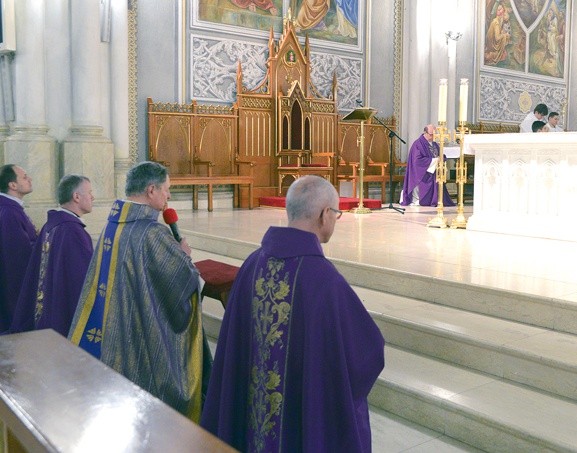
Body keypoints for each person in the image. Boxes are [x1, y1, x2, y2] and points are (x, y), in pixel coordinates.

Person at [201, 175, 385, 452]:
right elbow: (367, 354)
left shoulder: (252, 265)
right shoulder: (324, 280)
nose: (335, 219)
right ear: (325, 215)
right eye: (336, 213)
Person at [67, 161, 210, 422]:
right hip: (138, 330)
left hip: (115, 324)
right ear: (151, 190)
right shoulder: (152, 233)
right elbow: (180, 285)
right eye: (166, 189)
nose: (168, 196)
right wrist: (185, 258)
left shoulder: (114, 224)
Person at [8, 175, 94, 337]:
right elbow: (82, 281)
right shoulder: (73, 231)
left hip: (46, 313)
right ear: (76, 197)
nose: (93, 197)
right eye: (89, 192)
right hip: (64, 319)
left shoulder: (51, 225)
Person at [0, 164, 37, 332]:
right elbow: (18, 257)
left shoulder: (11, 208)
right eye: (24, 177)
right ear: (12, 185)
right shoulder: (9, 212)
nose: (29, 179)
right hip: (14, 292)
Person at [400, 124, 455, 207]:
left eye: (434, 135)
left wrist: (441, 158)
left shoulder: (434, 144)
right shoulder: (418, 144)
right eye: (431, 134)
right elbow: (417, 161)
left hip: (434, 171)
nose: (433, 137)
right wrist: (435, 160)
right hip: (421, 173)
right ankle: (425, 200)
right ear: (425, 133)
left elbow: (440, 155)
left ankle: (436, 199)